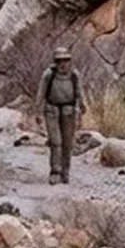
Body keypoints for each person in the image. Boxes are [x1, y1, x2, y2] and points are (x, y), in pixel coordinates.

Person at [37, 48, 84, 185]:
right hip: (52, 109)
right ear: (55, 62)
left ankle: (66, 171)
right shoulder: (49, 75)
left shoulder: (74, 75)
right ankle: (55, 171)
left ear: (69, 61)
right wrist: (38, 111)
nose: (62, 64)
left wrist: (82, 105)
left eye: (65, 60)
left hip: (69, 111)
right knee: (55, 141)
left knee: (67, 143)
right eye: (59, 61)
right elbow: (41, 93)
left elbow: (79, 91)